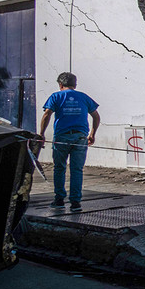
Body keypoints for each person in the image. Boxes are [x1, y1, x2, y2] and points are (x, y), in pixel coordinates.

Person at [38, 72, 100, 212]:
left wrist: (41, 133)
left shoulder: (56, 96)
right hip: (80, 137)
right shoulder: (83, 97)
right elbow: (96, 116)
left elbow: (47, 114)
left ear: (60, 84)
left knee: (59, 168)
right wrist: (92, 134)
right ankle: (75, 203)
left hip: (62, 137)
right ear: (75, 85)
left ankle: (59, 200)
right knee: (77, 169)